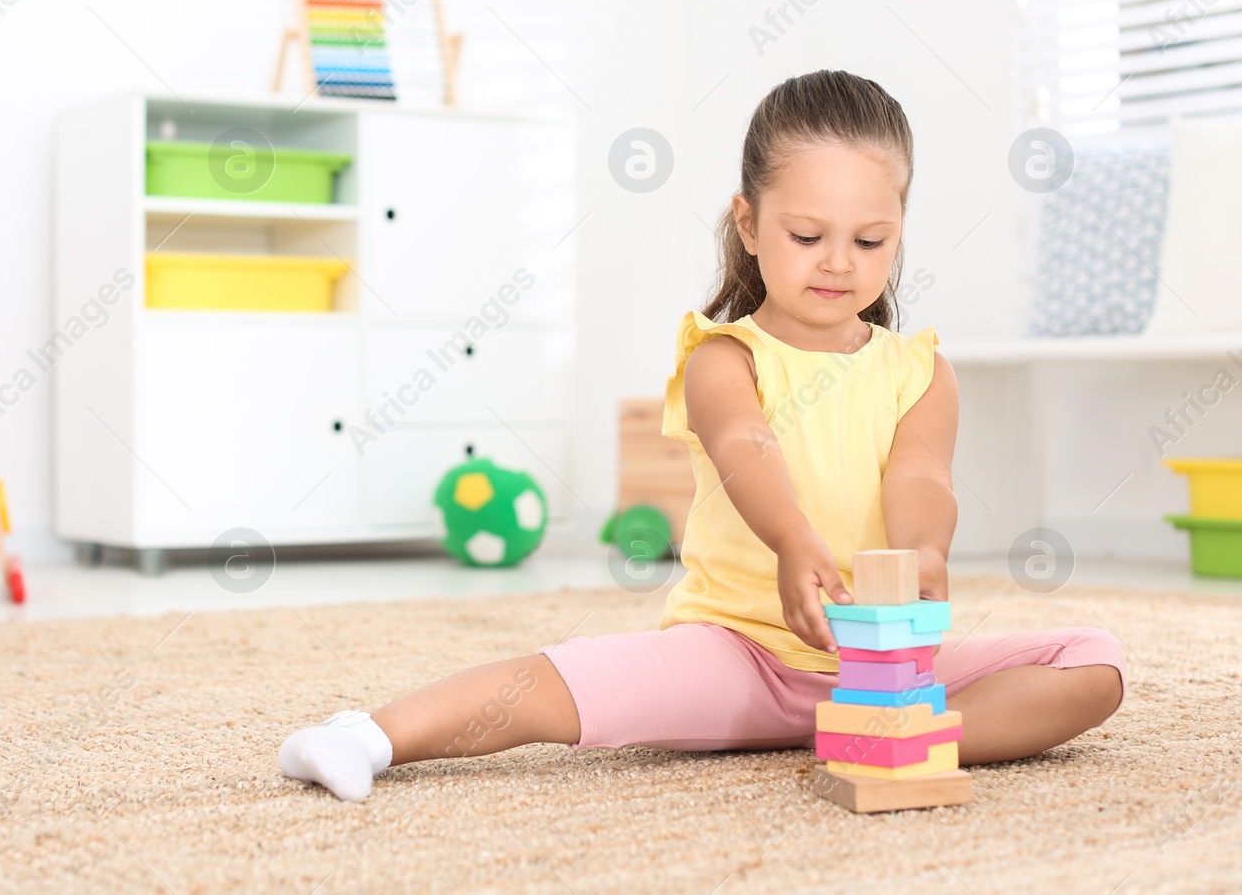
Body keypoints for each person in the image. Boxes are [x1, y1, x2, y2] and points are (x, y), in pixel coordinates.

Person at [278, 69, 1126, 802]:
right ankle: (371, 734)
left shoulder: (920, 368)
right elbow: (748, 449)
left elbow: (920, 477)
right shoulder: (725, 356)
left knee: (1093, 661)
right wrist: (795, 541)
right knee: (551, 686)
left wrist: (926, 555)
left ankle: (888, 737)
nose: (839, 262)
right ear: (750, 225)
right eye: (807, 236)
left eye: (871, 240)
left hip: (881, 671)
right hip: (738, 655)